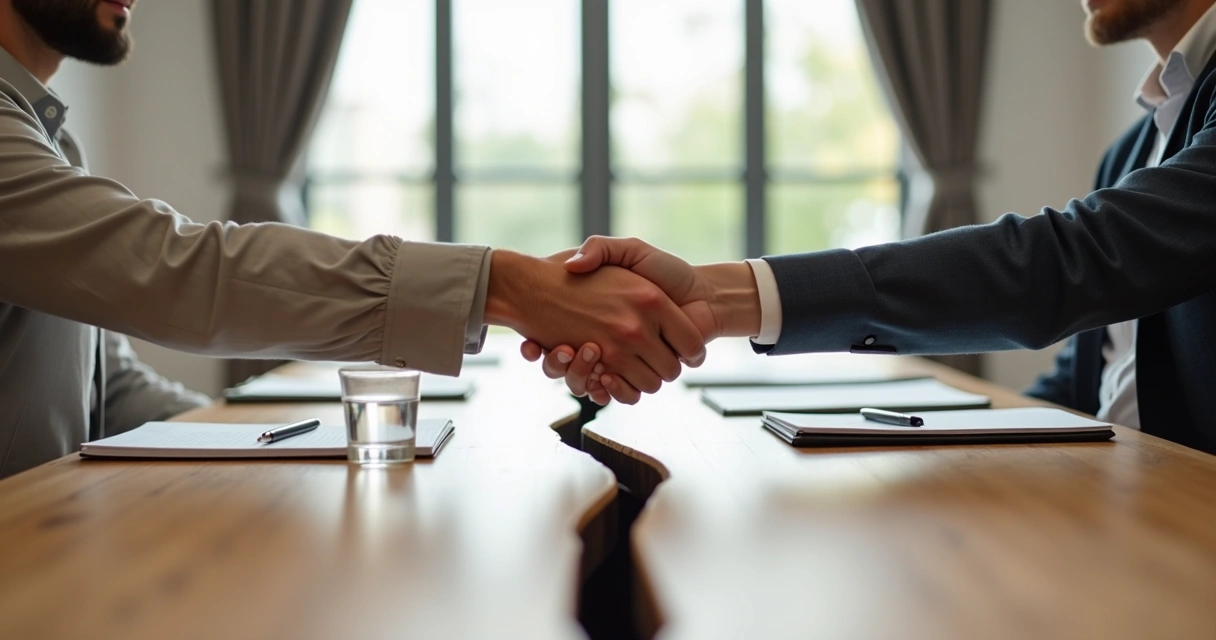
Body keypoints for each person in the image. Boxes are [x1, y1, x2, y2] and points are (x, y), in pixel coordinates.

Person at [0, 0, 707, 478]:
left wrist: (300, 440)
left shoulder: (48, 134)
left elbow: (107, 387)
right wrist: (508, 287)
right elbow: (176, 269)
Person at [531, 0, 1216, 456]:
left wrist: (722, 298)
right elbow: (1089, 374)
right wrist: (938, 441)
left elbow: (1074, 261)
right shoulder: (1132, 149)